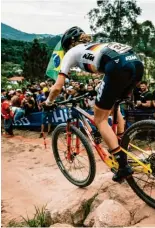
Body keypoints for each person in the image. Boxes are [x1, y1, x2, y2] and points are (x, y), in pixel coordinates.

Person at [45, 26, 144, 182]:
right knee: (113, 105)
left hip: (117, 66)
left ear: (70, 43)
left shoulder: (71, 53)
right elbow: (107, 71)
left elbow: (57, 87)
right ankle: (122, 145)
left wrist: (48, 102)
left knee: (99, 120)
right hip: (136, 64)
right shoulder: (93, 47)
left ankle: (123, 166)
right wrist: (99, 89)